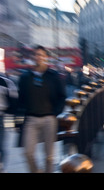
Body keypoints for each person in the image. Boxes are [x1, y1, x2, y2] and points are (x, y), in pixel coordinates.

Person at [17, 45, 66, 173]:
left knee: (49, 157)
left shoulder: (53, 76)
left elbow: (62, 96)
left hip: (49, 119)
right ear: (32, 57)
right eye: (35, 55)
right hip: (31, 119)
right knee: (28, 152)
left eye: (41, 55)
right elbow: (20, 97)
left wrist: (55, 113)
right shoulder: (25, 77)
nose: (38, 57)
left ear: (46, 58)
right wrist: (20, 116)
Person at [0, 74, 18, 173]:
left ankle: (1, 166)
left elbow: (14, 101)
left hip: (2, 117)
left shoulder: (5, 82)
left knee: (1, 144)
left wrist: (14, 122)